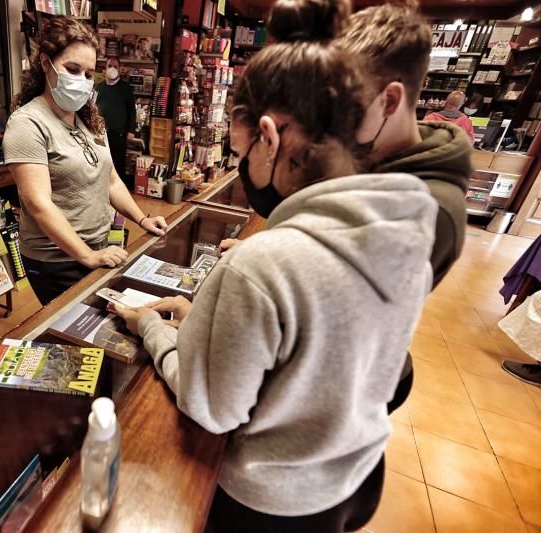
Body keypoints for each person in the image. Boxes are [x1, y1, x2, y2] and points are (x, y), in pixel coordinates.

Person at [113, 0, 438, 530]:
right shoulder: (409, 227)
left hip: (267, 502)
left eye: (240, 149)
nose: (243, 168)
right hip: (351, 480)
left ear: (269, 135)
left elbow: (213, 407)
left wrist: (152, 327)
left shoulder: (263, 264)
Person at [338, 4, 472, 412]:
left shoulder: (431, 209)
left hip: (355, 387)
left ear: (390, 100)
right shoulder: (373, 157)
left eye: (344, 103)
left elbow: (336, 311)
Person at [2, 17, 167, 305]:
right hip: (58, 259)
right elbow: (38, 204)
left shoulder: (89, 119)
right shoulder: (27, 124)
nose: (81, 80)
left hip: (99, 246)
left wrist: (142, 219)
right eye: (72, 69)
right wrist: (88, 255)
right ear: (45, 63)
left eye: (89, 74)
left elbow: (111, 180)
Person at [95, 57, 137, 190]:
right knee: (101, 162)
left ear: (119, 70)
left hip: (119, 133)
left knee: (118, 164)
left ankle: (118, 192)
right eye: (109, 66)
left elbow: (132, 110)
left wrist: (131, 130)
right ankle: (101, 189)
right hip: (101, 133)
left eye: (115, 66)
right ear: (105, 69)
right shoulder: (99, 87)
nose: (112, 69)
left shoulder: (126, 88)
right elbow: (92, 107)